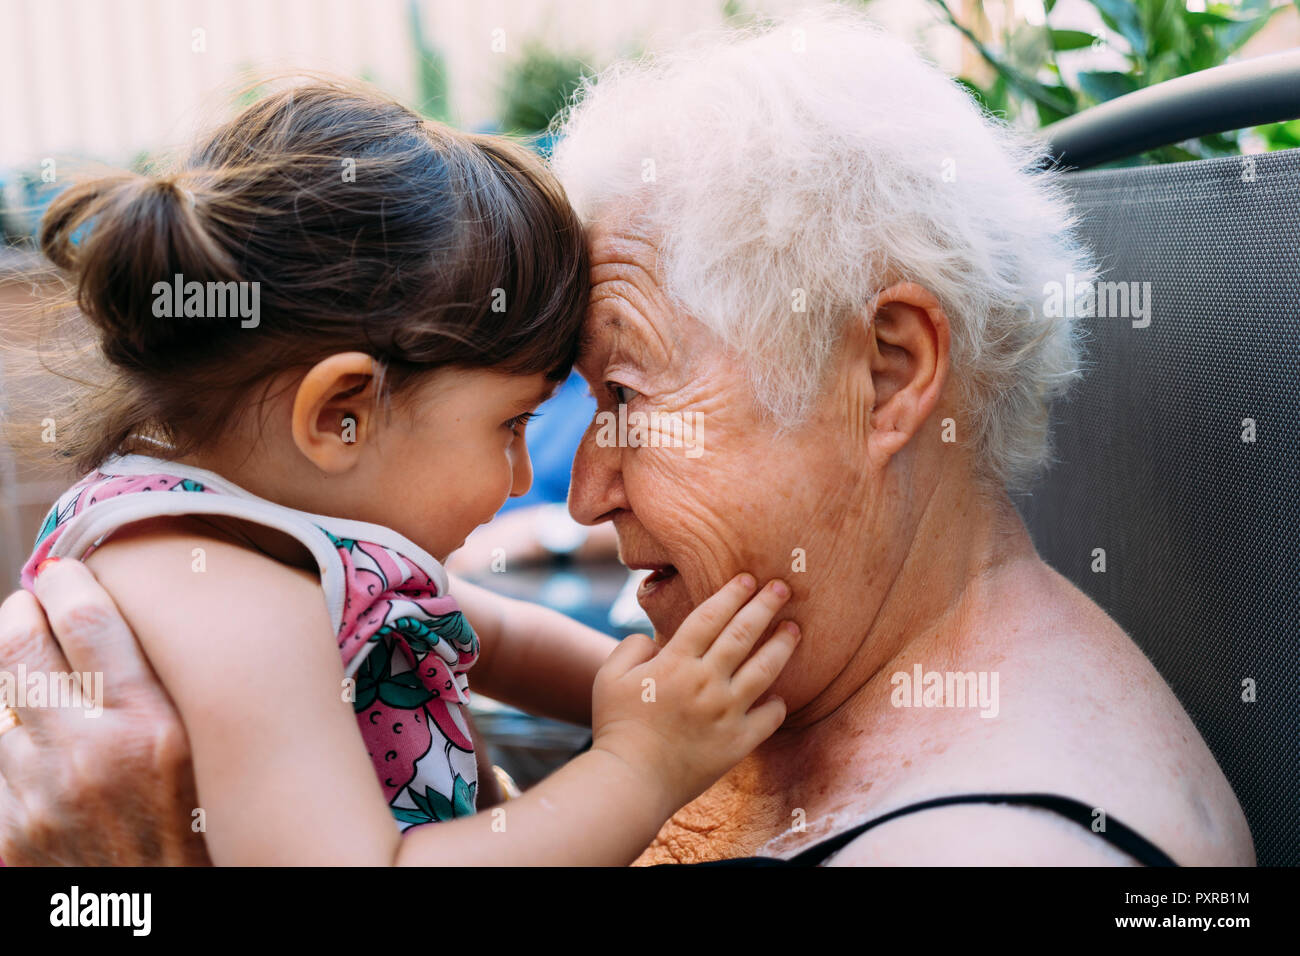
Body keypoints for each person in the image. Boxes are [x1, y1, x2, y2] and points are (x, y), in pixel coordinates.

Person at [0, 9, 1255, 866]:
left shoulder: (994, 838)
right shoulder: (240, 578)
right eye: (543, 414)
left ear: (886, 376)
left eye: (625, 398)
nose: (578, 487)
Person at [0, 78, 798, 866]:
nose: (524, 477)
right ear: (338, 415)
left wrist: (684, 698)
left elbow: (507, 638)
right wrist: (642, 767)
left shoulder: (291, 551)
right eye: (512, 424)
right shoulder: (229, 604)